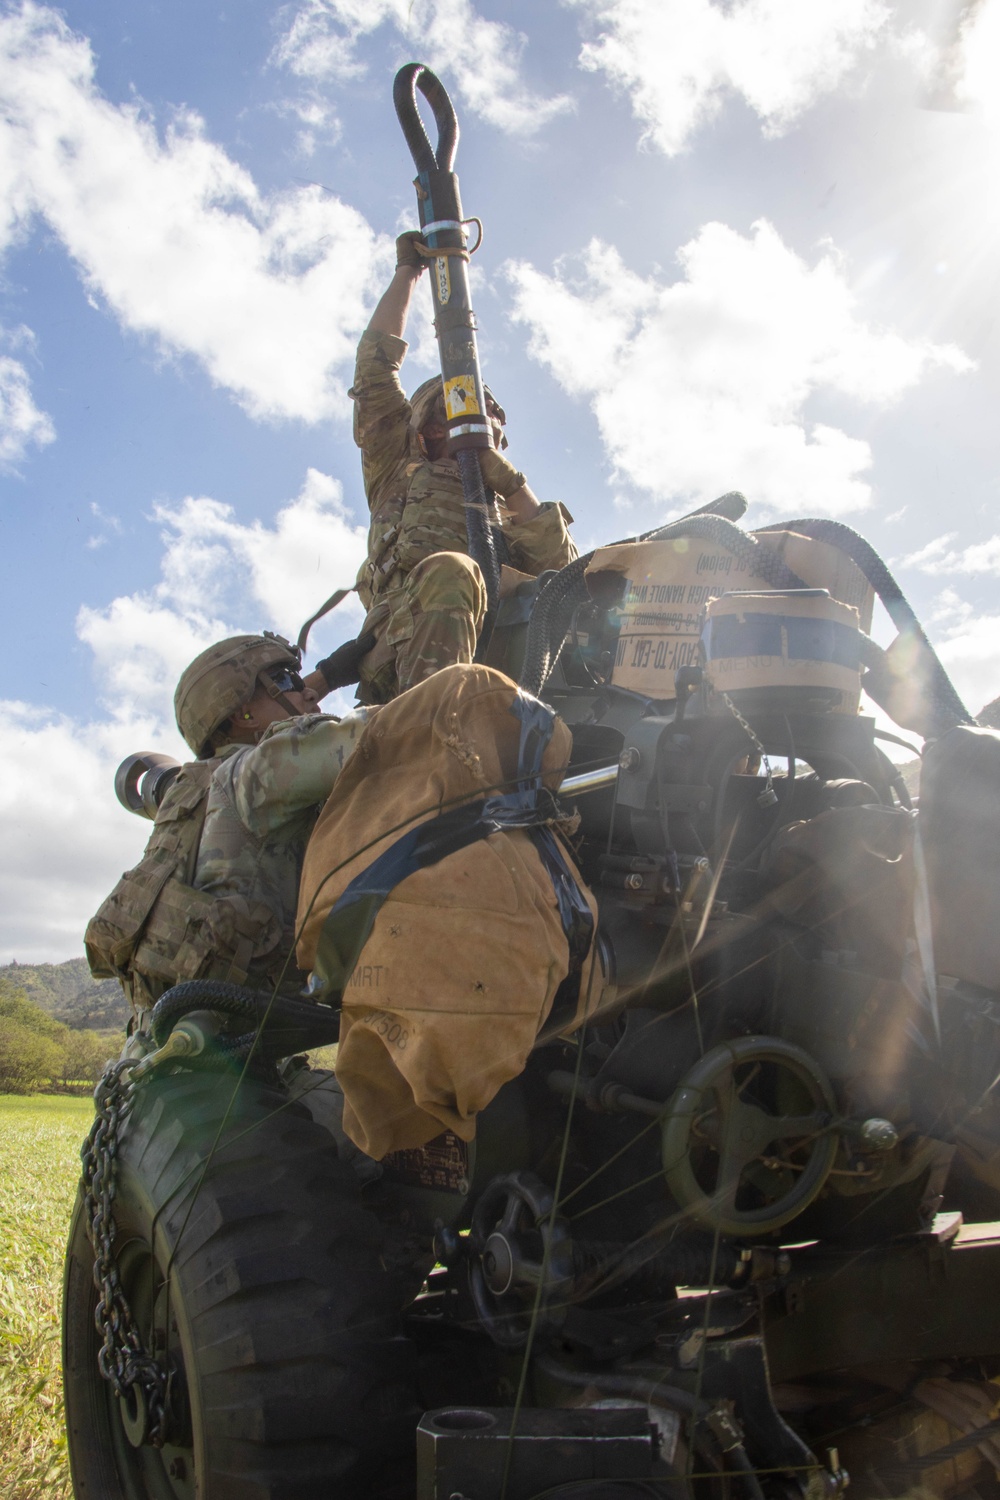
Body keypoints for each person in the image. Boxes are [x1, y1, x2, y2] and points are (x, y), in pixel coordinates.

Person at [321, 231, 577, 706]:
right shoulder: (396, 471)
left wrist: (509, 481)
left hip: (490, 673)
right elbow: (374, 368)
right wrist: (409, 272)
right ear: (425, 428)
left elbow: (567, 579)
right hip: (396, 661)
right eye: (454, 415)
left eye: (492, 419)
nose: (484, 426)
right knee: (448, 571)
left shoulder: (506, 507)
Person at [85, 632, 376, 1019]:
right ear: (244, 716)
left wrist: (317, 679)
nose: (310, 693)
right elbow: (388, 731)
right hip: (222, 1056)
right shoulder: (255, 774)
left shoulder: (193, 792)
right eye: (288, 681)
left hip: (166, 1051)